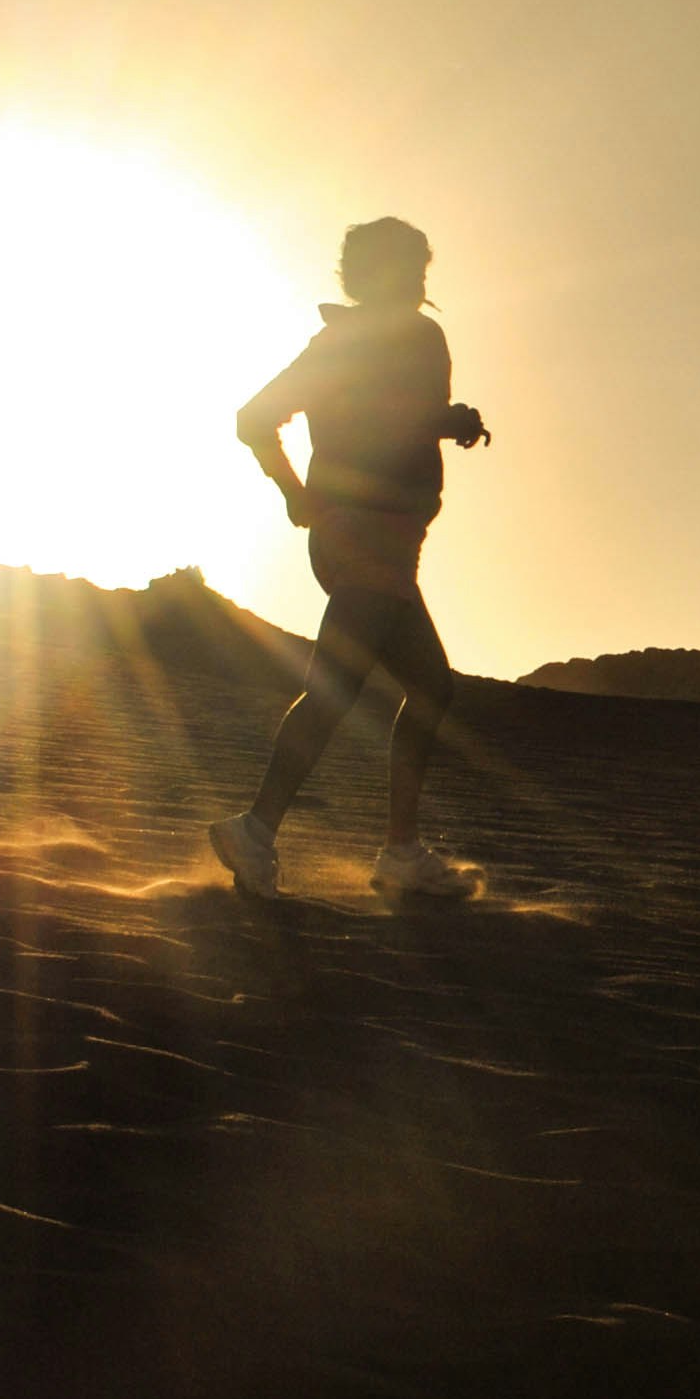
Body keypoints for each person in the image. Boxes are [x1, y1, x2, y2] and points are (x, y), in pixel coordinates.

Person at [208, 217, 493, 903]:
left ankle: (394, 850)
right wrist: (450, 421)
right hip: (372, 534)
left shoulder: (333, 343)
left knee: (426, 687)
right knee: (343, 687)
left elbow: (254, 418)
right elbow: (394, 418)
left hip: (359, 535)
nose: (421, 280)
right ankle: (259, 829)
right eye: (411, 267)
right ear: (384, 273)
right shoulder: (415, 336)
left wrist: (296, 498)